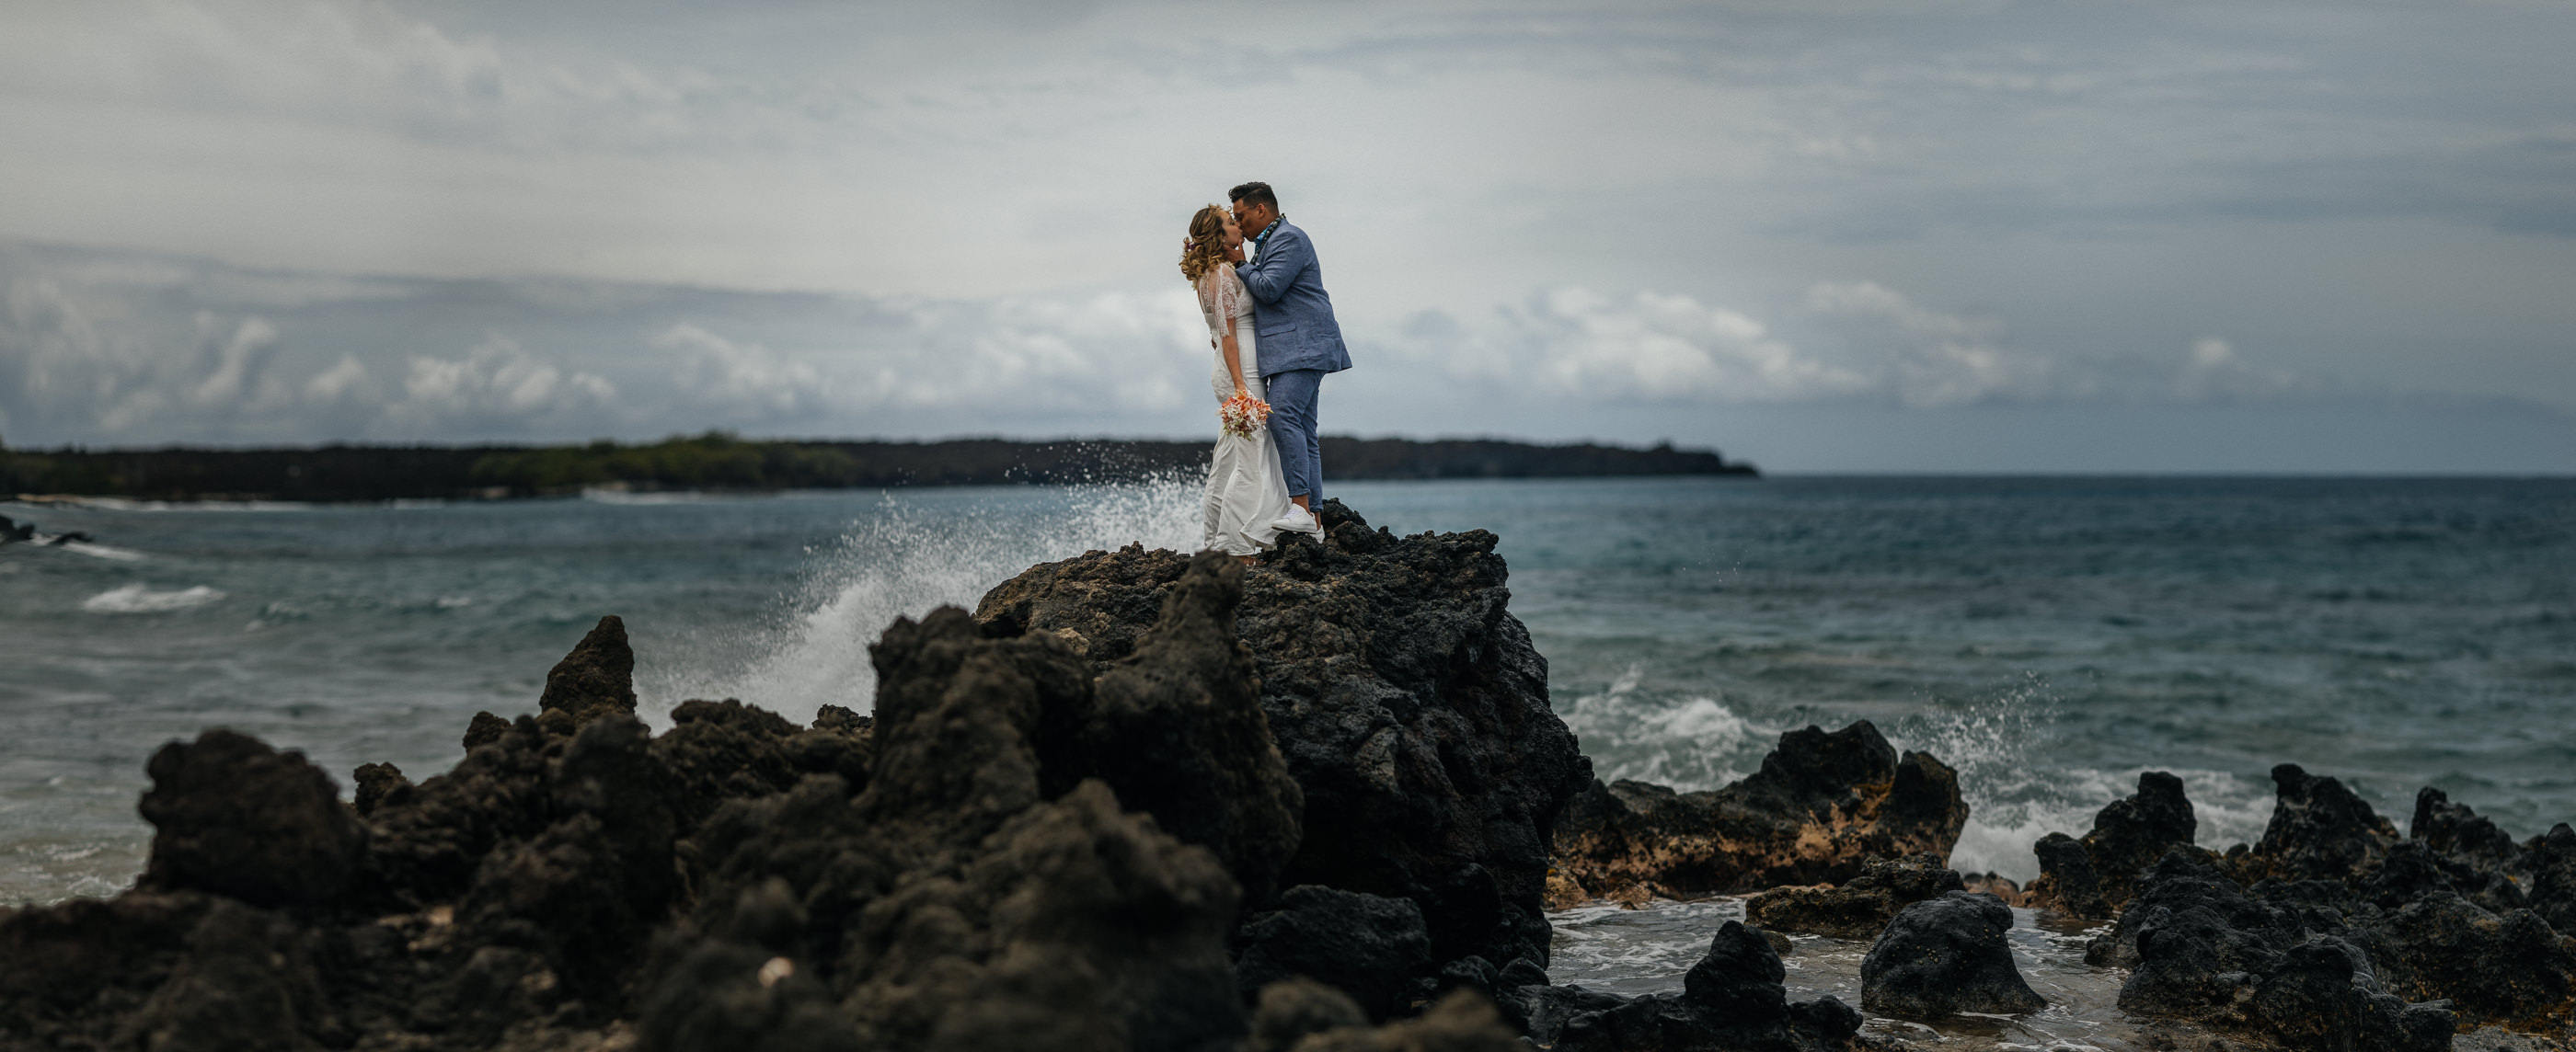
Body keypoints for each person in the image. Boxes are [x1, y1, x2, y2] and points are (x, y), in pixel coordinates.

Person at [1228, 181, 1350, 535]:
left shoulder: (1289, 238)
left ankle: (1299, 505)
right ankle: (1314, 521)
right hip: (1299, 347)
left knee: (1281, 417)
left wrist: (1239, 263)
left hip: (1301, 347)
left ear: (1261, 210)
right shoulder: (1272, 241)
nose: (1239, 224)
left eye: (1242, 216)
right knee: (1305, 432)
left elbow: (1269, 288)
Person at [1181, 204, 1294, 560]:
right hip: (1239, 369)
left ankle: (1217, 540)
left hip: (1233, 366)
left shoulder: (1213, 274)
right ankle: (1236, 546)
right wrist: (1241, 385)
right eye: (1230, 223)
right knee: (1250, 458)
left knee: (1228, 459)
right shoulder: (1221, 276)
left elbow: (1214, 336)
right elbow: (1226, 336)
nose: (1236, 225)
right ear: (1218, 235)